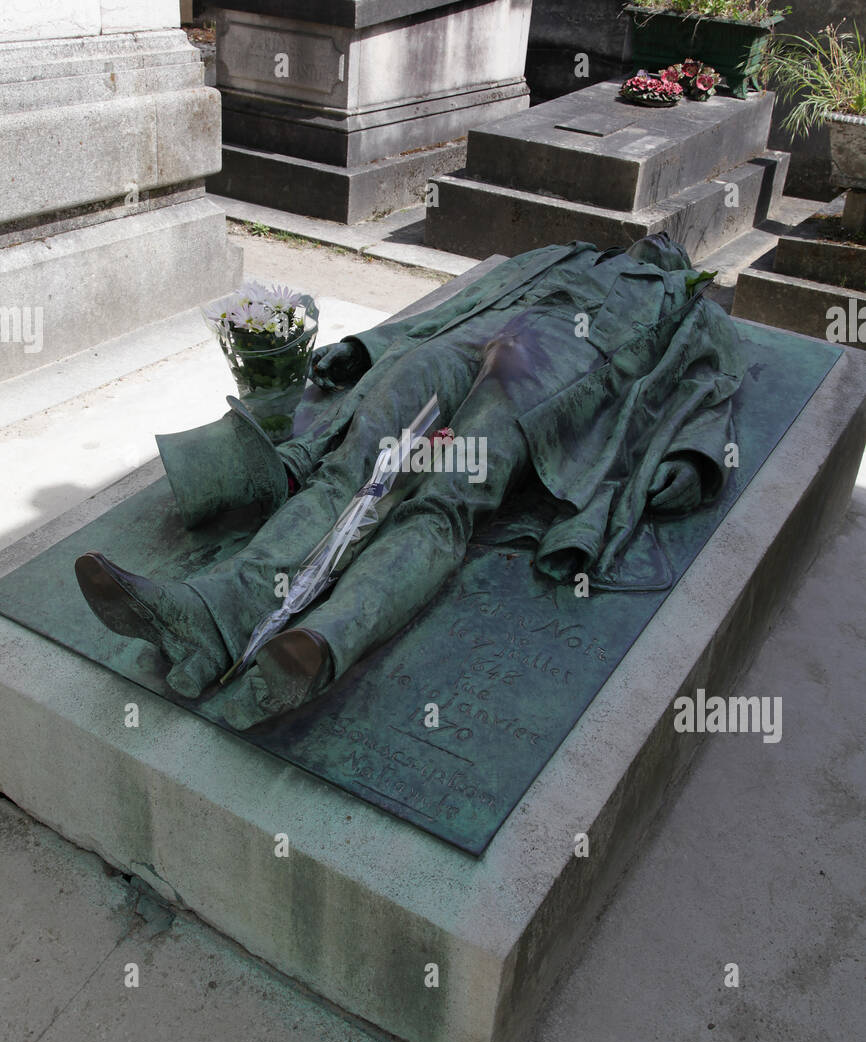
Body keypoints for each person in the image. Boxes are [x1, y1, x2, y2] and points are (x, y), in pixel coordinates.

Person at [75, 234, 745, 729]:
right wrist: (368, 346)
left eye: (672, 243)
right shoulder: (563, 255)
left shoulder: (692, 308)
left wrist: (693, 456)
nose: (658, 240)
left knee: (441, 500)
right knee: (353, 467)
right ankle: (212, 612)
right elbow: (469, 298)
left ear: (685, 267)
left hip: (550, 379)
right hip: (469, 342)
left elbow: (710, 386)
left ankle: (322, 643)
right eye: (652, 234)